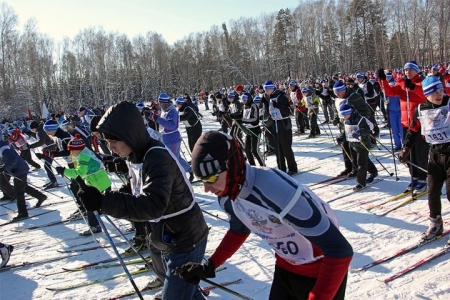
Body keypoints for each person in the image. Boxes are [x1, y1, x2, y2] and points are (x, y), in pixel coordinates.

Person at [173, 131, 353, 300]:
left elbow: (339, 251)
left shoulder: (275, 190)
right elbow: (239, 229)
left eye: (211, 178)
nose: (206, 188)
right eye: (202, 181)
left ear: (232, 165)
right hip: (286, 267)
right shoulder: (228, 195)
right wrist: (209, 266)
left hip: (322, 272)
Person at [76, 101, 209, 300]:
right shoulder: (137, 155)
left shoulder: (157, 158)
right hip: (163, 236)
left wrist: (104, 202)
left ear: (129, 135)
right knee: (185, 293)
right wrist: (111, 191)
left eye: (114, 141)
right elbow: (140, 190)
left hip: (185, 238)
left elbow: (153, 205)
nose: (110, 148)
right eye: (106, 142)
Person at [400, 76, 449, 241]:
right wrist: (406, 149)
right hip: (435, 155)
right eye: (434, 91)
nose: (439, 94)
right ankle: (435, 223)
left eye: (441, 90)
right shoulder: (421, 109)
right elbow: (413, 130)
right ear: (426, 94)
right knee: (433, 192)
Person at [377, 62, 429, 194]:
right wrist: (382, 79)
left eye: (411, 70)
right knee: (409, 153)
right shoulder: (402, 84)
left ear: (416, 71)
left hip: (420, 123)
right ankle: (415, 177)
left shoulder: (422, 83)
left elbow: (425, 96)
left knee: (420, 152)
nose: (408, 72)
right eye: (406, 70)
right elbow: (389, 91)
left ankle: (423, 178)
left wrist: (412, 87)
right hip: (406, 124)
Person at [54, 134, 111, 236]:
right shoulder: (82, 152)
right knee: (93, 206)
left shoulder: (83, 157)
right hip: (96, 181)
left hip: (98, 183)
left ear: (78, 149)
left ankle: (96, 226)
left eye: (72, 150)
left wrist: (64, 171)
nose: (71, 152)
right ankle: (95, 226)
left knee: (102, 205)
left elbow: (80, 173)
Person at [332, 81, 372, 178]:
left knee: (354, 149)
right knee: (345, 146)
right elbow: (338, 111)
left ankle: (356, 168)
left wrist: (357, 121)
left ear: (343, 90)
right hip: (343, 126)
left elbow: (366, 111)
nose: (337, 94)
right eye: (335, 93)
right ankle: (348, 167)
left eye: (338, 92)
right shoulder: (337, 99)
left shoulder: (354, 96)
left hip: (354, 127)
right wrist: (336, 119)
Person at [0, 140, 47, 221]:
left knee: (18, 192)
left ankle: (23, 213)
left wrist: (4, 168)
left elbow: (13, 159)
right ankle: (40, 196)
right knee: (23, 187)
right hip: (18, 169)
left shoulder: (3, 149)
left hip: (19, 170)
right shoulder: (2, 147)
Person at [339, 104, 378, 191]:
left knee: (361, 163)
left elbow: (367, 129)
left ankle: (361, 182)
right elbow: (345, 131)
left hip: (362, 144)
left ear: (350, 112)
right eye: (342, 115)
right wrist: (341, 137)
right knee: (359, 160)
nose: (344, 117)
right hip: (352, 144)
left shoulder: (359, 118)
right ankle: (373, 171)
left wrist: (359, 133)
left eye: (345, 114)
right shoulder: (345, 120)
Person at [262, 80, 297, 175]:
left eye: (267, 89)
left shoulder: (281, 96)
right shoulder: (269, 98)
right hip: (275, 123)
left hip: (284, 124)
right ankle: (281, 168)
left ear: (271, 88)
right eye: (265, 89)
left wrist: (279, 106)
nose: (265, 91)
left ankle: (292, 168)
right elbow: (269, 112)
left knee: (286, 147)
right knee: (277, 148)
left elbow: (289, 111)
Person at [28, 120, 58, 189]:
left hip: (50, 149)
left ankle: (54, 182)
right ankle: (53, 181)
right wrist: (30, 134)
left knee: (47, 165)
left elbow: (41, 141)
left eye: (32, 129)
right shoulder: (40, 130)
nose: (32, 130)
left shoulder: (40, 131)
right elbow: (39, 137)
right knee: (47, 165)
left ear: (35, 127)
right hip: (48, 148)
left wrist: (31, 146)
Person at [240, 94, 265, 166]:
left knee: (255, 150)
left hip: (255, 130)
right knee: (247, 149)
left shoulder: (253, 106)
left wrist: (245, 120)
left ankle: (263, 165)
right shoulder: (244, 106)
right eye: (242, 99)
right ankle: (252, 165)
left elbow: (255, 119)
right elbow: (241, 116)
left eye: (245, 99)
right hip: (248, 130)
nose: (243, 101)